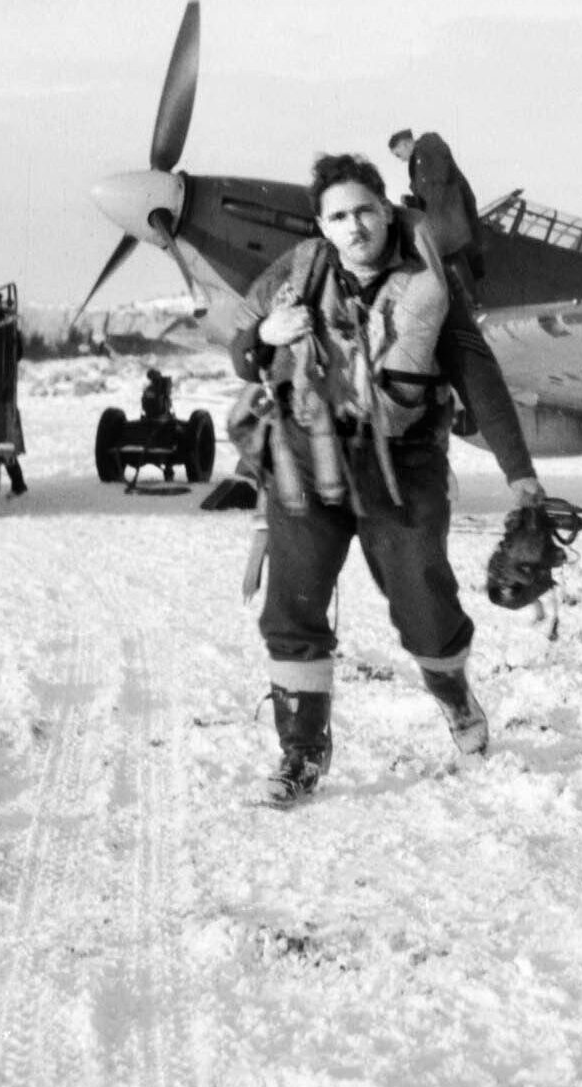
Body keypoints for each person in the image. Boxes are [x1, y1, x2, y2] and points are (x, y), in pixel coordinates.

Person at [230, 152, 546, 805]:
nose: (354, 227)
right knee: (291, 606)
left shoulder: (430, 275)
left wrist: (521, 477)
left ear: (385, 207)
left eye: (364, 210)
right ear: (322, 226)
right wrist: (266, 331)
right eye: (338, 217)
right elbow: (241, 352)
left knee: (424, 604)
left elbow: (476, 371)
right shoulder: (298, 271)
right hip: (306, 460)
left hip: (402, 466)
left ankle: (456, 699)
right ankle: (301, 755)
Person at [388, 128, 484, 289]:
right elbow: (426, 193)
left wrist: (434, 214)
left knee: (451, 256)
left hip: (448, 216)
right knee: (448, 257)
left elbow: (441, 180)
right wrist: (412, 202)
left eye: (398, 154)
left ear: (404, 144)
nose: (400, 159)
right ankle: (468, 300)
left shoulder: (428, 144)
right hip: (440, 217)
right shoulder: (416, 162)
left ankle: (470, 302)